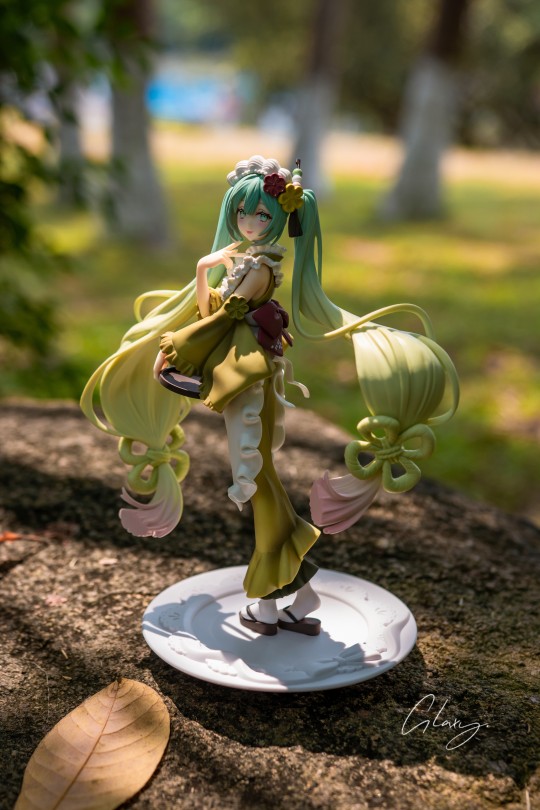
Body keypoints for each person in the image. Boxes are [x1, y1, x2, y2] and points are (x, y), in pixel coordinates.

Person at [81, 155, 459, 637]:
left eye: (262, 215)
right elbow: (212, 309)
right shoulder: (245, 261)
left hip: (247, 375)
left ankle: (267, 600)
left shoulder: (261, 267)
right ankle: (298, 593)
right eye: (243, 212)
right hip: (239, 367)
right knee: (262, 481)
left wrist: (180, 347)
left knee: (258, 478)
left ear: (279, 218)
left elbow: (221, 317)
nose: (250, 222)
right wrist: (203, 270)